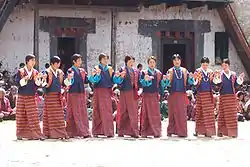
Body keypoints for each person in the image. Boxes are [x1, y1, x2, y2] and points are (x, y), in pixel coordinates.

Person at [15, 54, 45, 140]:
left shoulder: (35, 72)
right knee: (21, 115)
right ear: (27, 61)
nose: (33, 62)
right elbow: (17, 83)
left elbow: (38, 85)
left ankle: (36, 134)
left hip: (31, 95)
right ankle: (20, 134)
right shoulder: (20, 71)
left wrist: (39, 79)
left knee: (33, 116)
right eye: (32, 60)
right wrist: (25, 79)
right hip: (22, 95)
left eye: (34, 61)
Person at [213, 58, 244, 138]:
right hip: (223, 96)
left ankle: (232, 132)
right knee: (222, 114)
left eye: (226, 65)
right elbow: (217, 84)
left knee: (232, 115)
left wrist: (240, 78)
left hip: (231, 97)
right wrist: (217, 77)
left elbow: (236, 84)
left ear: (229, 65)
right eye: (223, 65)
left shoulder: (233, 74)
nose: (224, 67)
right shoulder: (221, 74)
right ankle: (221, 132)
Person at [165, 54, 194, 137]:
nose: (177, 61)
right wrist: (166, 80)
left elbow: (190, 82)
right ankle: (171, 131)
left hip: (182, 94)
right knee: (172, 113)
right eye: (175, 60)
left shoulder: (184, 71)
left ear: (180, 61)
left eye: (178, 60)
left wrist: (191, 78)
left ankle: (182, 132)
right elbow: (166, 84)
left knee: (182, 113)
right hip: (172, 94)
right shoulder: (170, 71)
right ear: (173, 62)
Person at [139, 56, 168, 138]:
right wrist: (146, 80)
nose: (152, 64)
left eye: (153, 62)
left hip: (155, 95)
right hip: (146, 95)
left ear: (155, 63)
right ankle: (145, 132)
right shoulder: (144, 73)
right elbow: (141, 83)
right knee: (146, 113)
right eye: (150, 62)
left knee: (155, 114)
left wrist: (165, 80)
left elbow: (161, 84)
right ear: (148, 63)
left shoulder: (158, 73)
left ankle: (156, 132)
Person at [64, 54, 90, 138]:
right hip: (73, 93)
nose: (80, 62)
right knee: (75, 112)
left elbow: (86, 81)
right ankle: (81, 132)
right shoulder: (70, 70)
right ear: (74, 62)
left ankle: (80, 131)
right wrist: (69, 78)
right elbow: (68, 83)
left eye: (80, 60)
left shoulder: (82, 71)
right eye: (78, 61)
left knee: (82, 112)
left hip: (81, 93)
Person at [113, 55, 140, 138]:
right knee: (123, 111)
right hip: (124, 92)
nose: (131, 63)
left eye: (132, 62)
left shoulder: (135, 71)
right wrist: (120, 77)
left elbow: (138, 82)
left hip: (133, 92)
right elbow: (116, 80)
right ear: (126, 62)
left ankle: (134, 132)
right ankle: (121, 131)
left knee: (133, 112)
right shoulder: (122, 70)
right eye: (130, 62)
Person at [89, 53, 114, 138]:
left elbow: (114, 80)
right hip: (98, 91)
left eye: (106, 59)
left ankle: (109, 131)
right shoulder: (96, 68)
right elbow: (93, 80)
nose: (105, 61)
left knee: (107, 111)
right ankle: (96, 131)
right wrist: (97, 75)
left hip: (107, 91)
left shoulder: (110, 69)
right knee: (97, 110)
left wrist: (119, 77)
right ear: (100, 60)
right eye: (104, 59)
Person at [43, 56, 68, 139]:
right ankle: (49, 133)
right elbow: (43, 85)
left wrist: (69, 79)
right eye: (56, 63)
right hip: (49, 96)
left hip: (58, 96)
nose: (58, 65)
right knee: (50, 115)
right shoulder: (46, 72)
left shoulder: (60, 72)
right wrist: (43, 80)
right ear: (52, 64)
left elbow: (64, 83)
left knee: (59, 115)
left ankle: (60, 133)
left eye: (59, 63)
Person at [193, 57, 216, 137]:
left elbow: (213, 83)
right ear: (201, 64)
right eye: (203, 64)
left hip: (208, 94)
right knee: (199, 112)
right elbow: (196, 83)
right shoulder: (198, 71)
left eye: (206, 64)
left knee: (209, 113)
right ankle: (198, 131)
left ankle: (209, 131)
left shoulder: (210, 72)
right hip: (200, 94)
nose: (205, 66)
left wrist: (216, 77)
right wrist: (194, 78)